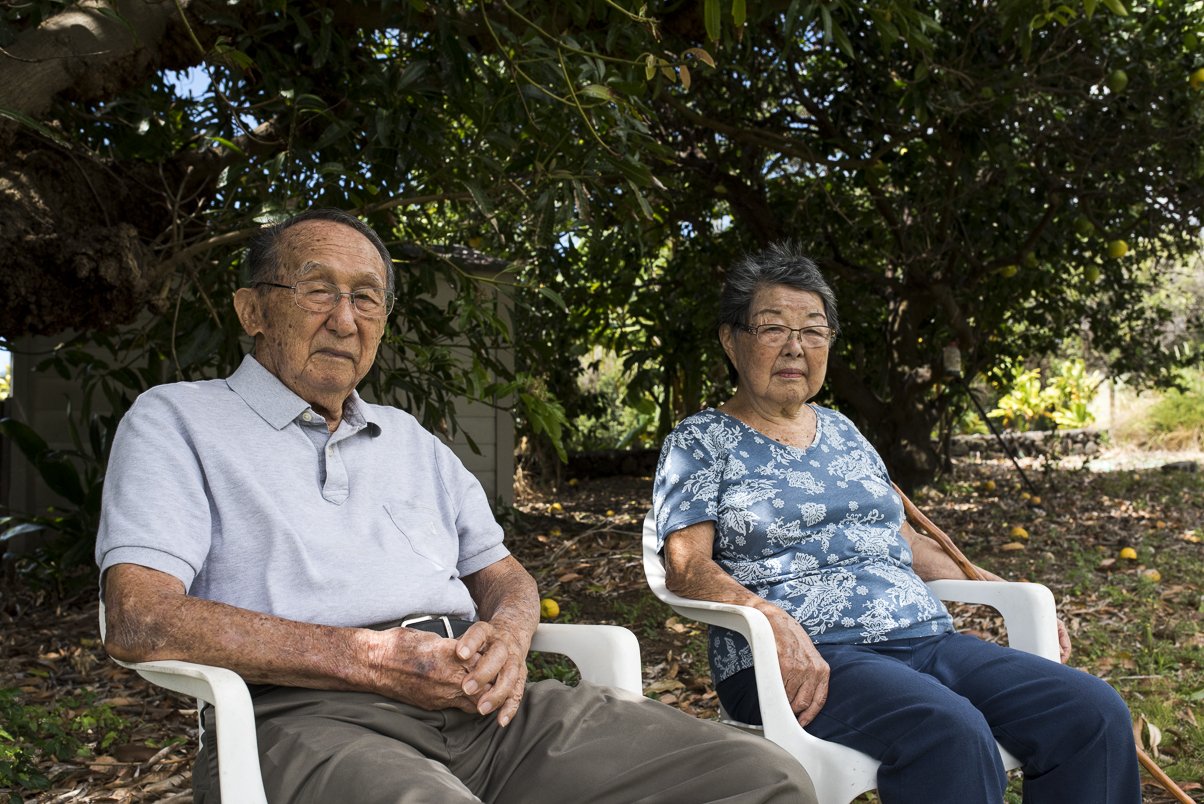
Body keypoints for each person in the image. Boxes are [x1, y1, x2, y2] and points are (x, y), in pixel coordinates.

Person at [97, 209, 814, 804]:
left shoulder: (409, 440)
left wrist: (506, 634)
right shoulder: (178, 421)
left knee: (761, 778)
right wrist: (370, 659)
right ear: (252, 308)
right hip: (305, 716)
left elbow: (504, 576)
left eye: (368, 297)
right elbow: (140, 617)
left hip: (482, 706)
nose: (346, 320)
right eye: (318, 290)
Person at [652, 244, 1141, 803]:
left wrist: (998, 588)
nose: (796, 346)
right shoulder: (699, 441)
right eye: (772, 328)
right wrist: (772, 619)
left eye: (814, 330)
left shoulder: (843, 433)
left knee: (1090, 710)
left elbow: (904, 540)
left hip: (923, 639)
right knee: (948, 731)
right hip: (802, 659)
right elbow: (688, 565)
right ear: (731, 340)